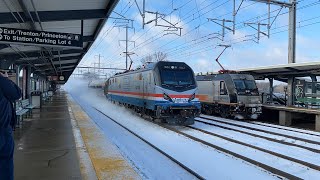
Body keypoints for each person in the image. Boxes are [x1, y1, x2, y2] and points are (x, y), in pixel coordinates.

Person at [0, 71, 22, 180]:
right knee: (5, 163)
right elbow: (17, 94)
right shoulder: (1, 81)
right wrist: (6, 79)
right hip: (2, 130)